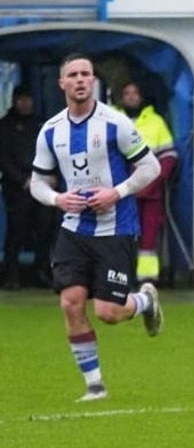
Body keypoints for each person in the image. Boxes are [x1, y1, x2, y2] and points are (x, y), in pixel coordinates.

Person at [28, 54, 164, 401]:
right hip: (74, 230)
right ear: (62, 83)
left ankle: (145, 302)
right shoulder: (51, 131)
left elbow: (151, 168)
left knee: (109, 313)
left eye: (85, 74)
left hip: (115, 228)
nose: (79, 80)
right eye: (72, 74)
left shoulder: (116, 124)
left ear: (94, 81)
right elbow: (37, 183)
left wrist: (116, 193)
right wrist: (57, 199)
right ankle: (95, 385)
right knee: (71, 303)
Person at [117, 81, 175, 283]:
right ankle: (121, 277)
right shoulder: (113, 121)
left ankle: (147, 280)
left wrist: (154, 179)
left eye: (135, 93)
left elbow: (169, 156)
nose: (131, 97)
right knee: (122, 237)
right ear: (121, 97)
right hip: (121, 193)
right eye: (127, 93)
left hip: (151, 193)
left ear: (141, 97)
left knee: (148, 238)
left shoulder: (156, 121)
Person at [1, 84, 54, 288]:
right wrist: (22, 179)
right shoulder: (5, 126)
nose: (25, 103)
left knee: (44, 229)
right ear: (14, 101)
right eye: (21, 99)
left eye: (28, 99)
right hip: (18, 188)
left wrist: (51, 176)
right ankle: (11, 275)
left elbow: (53, 151)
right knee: (16, 230)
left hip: (43, 186)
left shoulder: (42, 124)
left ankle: (41, 271)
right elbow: (4, 159)